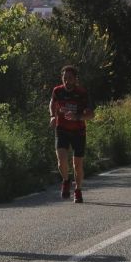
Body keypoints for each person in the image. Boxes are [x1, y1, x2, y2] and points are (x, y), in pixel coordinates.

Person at [49, 65, 94, 203]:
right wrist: (52, 116)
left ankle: (78, 190)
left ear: (75, 79)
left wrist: (77, 117)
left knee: (77, 164)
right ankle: (66, 181)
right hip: (62, 130)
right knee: (61, 160)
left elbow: (91, 114)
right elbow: (52, 102)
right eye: (65, 78)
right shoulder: (57, 91)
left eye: (70, 78)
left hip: (78, 132)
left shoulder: (81, 93)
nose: (67, 81)